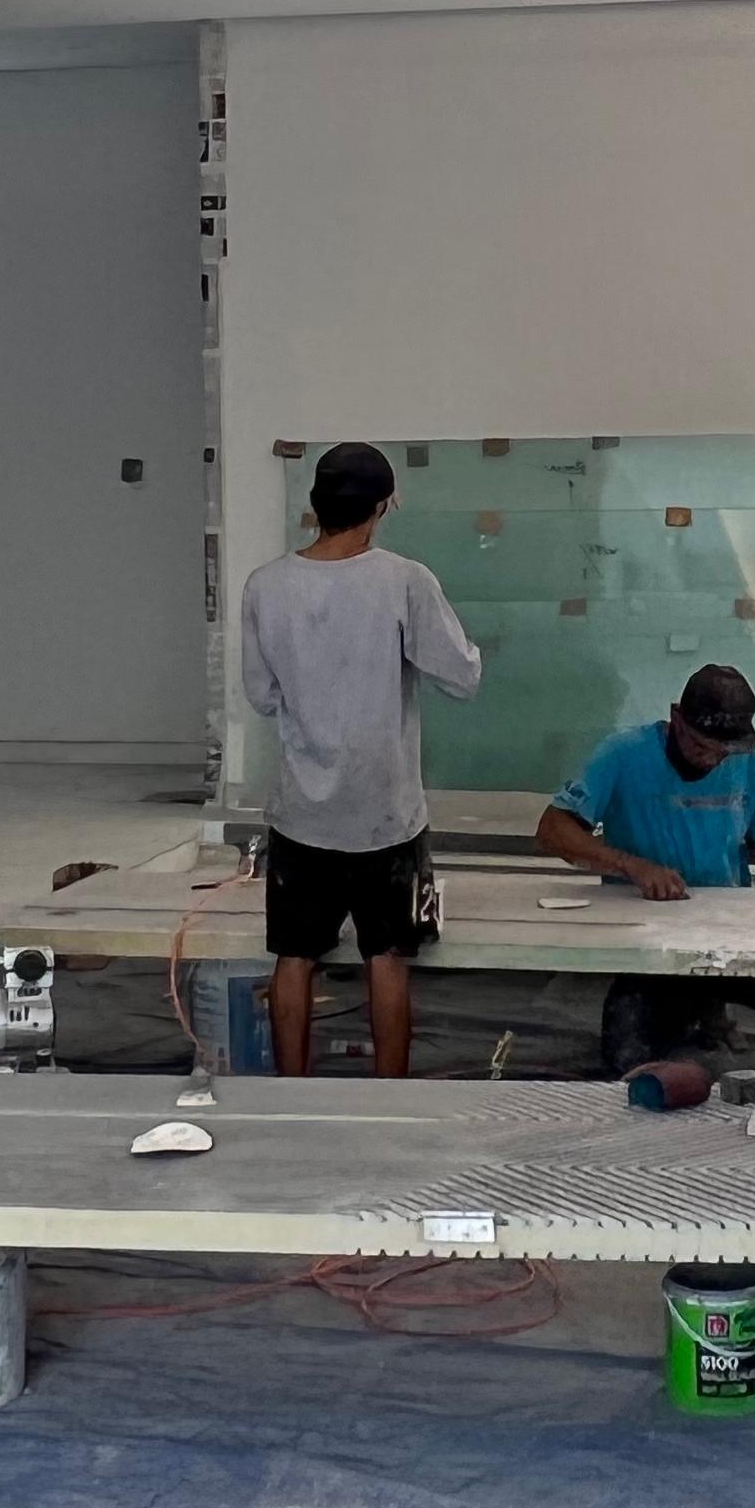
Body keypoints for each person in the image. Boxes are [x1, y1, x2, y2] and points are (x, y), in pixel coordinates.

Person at [235, 441, 482, 1077]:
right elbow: (463, 677)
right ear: (382, 506)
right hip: (387, 817)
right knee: (388, 958)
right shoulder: (405, 580)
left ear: (316, 505)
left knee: (294, 957)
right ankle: (385, 1102)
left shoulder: (265, 585)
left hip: (301, 815)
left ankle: (291, 1094)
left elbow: (261, 697)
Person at [536, 663, 755, 1069]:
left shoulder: (746, 761)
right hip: (644, 932)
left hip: (726, 930)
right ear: (676, 717)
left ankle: (713, 1016)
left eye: (723, 751)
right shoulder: (624, 754)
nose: (711, 759)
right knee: (628, 1056)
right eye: (700, 745)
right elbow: (554, 829)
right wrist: (633, 867)